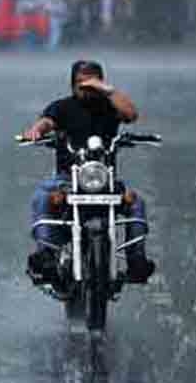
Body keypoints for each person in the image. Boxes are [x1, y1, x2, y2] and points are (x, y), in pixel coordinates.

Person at [21, 60, 156, 284]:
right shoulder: (62, 107)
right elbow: (46, 121)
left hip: (105, 180)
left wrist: (107, 90)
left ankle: (136, 260)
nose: (87, 86)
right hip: (67, 179)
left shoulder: (111, 106)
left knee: (136, 202)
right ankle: (46, 255)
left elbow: (131, 114)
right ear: (72, 84)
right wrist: (36, 130)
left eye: (92, 81)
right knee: (43, 198)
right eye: (81, 82)